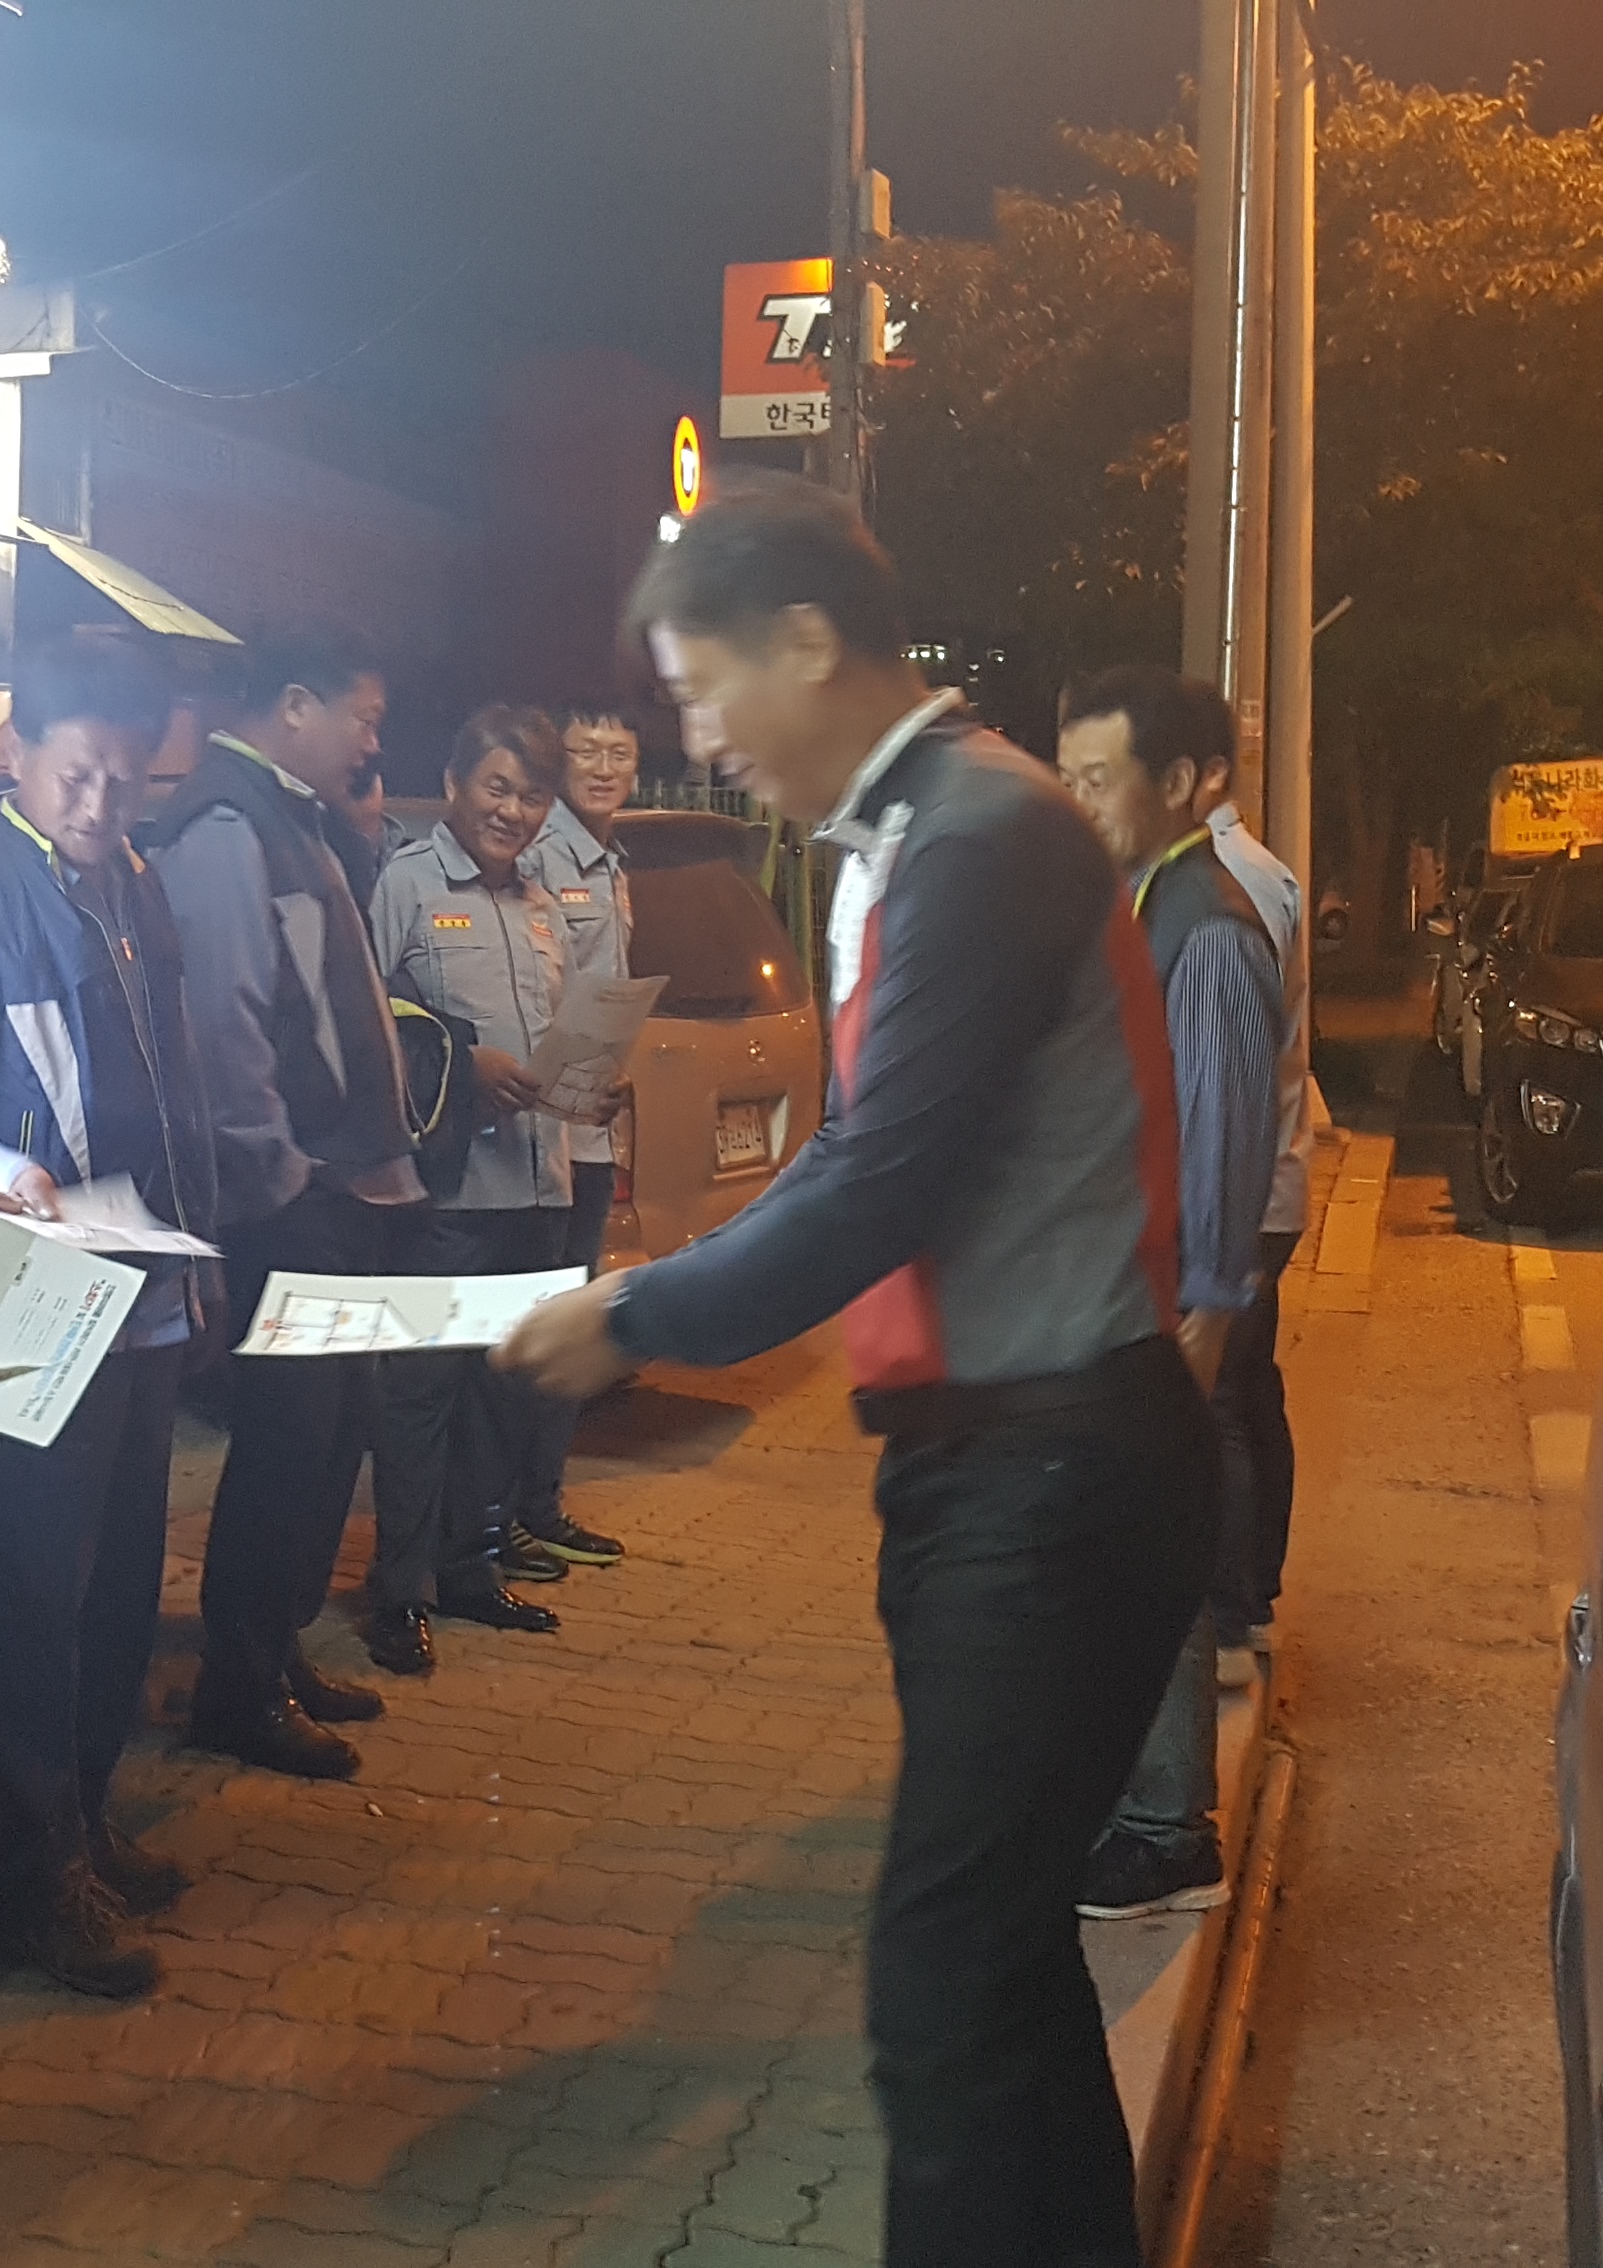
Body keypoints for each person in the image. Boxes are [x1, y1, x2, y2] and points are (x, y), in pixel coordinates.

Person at [495, 475, 1214, 2268]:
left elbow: (880, 1173)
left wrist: (636, 1313)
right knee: (997, 1970)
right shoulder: (931, 827)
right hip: (1006, 1469)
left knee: (943, 1984)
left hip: (1046, 1478)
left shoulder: (978, 833)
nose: (699, 740)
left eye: (702, 689)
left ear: (808, 641)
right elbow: (865, 1156)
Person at [0, 641, 220, 1998]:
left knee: (121, 1583)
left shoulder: (129, 879)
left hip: (143, 1292)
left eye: (126, 782)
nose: (100, 804)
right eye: (79, 774)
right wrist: (1, 1172)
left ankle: (80, 1823)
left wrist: (198, 1255)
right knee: (35, 1596)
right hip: (32, 1299)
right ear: (17, 753)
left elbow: (172, 1088)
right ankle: (25, 1880)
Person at [133, 631, 411, 1780]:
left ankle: (274, 1654)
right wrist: (280, 1176)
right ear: (295, 704)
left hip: (332, 1187)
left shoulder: (290, 818)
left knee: (327, 1437)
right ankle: (237, 1690)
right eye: (363, 714)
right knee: (288, 1443)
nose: (372, 740)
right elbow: (226, 1024)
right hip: (289, 1197)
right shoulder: (224, 823)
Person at [1051, 667, 1286, 1924]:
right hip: (1120, 1298)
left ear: (1188, 783)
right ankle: (1130, 1798)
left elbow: (1224, 1144)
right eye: (1068, 776)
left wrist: (1202, 1318)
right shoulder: (1141, 902)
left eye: (1099, 778)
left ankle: (1167, 1828)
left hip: (1166, 1310)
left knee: (1157, 1557)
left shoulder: (1210, 930)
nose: (1078, 801)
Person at [355, 707, 583, 1676]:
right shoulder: (405, 885)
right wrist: (462, 1058)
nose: (513, 811)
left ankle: (469, 1571)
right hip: (448, 1194)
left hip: (538, 1184)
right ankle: (399, 1592)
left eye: (532, 795)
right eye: (497, 787)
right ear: (454, 784)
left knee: (500, 1393)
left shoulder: (544, 905)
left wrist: (593, 1079)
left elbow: (560, 1032)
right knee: (421, 1396)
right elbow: (369, 1020)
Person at [508, 701, 644, 1573]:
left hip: (593, 1131)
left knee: (571, 1326)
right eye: (586, 751)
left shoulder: (610, 859)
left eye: (618, 753)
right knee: (537, 1329)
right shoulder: (539, 854)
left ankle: (539, 1503)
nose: (601, 767)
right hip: (546, 1134)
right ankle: (503, 1517)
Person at [1204, 755, 1328, 1682]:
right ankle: (1254, 1596)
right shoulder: (1262, 872)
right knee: (1249, 1388)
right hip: (1267, 1181)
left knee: (1220, 1397)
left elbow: (1231, 1072)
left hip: (1239, 1189)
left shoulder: (1223, 889)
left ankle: (1231, 1611)